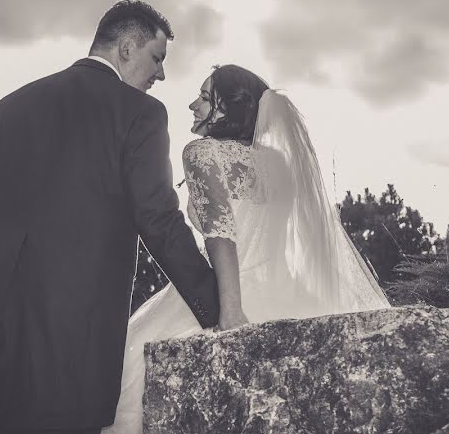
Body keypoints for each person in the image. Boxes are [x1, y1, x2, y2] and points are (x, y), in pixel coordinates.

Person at [0, 0, 220, 434]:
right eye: (157, 58)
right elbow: (158, 218)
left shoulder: (11, 105)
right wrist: (214, 303)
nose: (160, 75)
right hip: (74, 336)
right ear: (127, 47)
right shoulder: (141, 113)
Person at [104, 64, 390, 434]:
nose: (192, 105)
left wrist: (232, 314)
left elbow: (221, 234)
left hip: (227, 295)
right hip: (290, 293)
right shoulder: (282, 164)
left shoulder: (204, 153)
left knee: (125, 373)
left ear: (229, 109)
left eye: (205, 98)